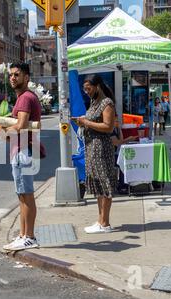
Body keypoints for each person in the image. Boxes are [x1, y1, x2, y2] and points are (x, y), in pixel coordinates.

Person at [1, 62, 42, 251]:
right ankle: (23, 235)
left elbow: (21, 125)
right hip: (21, 150)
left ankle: (30, 237)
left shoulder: (25, 98)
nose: (12, 77)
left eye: (17, 74)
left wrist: (4, 130)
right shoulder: (21, 98)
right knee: (22, 195)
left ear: (26, 78)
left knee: (27, 195)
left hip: (25, 151)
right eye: (10, 75)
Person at [74, 75, 116, 234]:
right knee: (98, 184)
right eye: (84, 89)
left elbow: (108, 127)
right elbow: (93, 122)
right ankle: (100, 221)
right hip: (92, 148)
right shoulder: (94, 102)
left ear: (97, 86)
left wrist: (86, 122)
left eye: (88, 88)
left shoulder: (107, 103)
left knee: (104, 185)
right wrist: (83, 121)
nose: (86, 92)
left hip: (101, 149)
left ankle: (105, 223)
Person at [110, 114, 138, 194]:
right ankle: (122, 186)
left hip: (114, 154)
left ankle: (126, 184)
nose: (118, 122)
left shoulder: (115, 129)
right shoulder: (110, 131)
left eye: (118, 121)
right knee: (123, 162)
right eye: (116, 121)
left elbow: (121, 140)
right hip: (109, 156)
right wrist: (128, 139)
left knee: (127, 160)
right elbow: (116, 143)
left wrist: (119, 128)